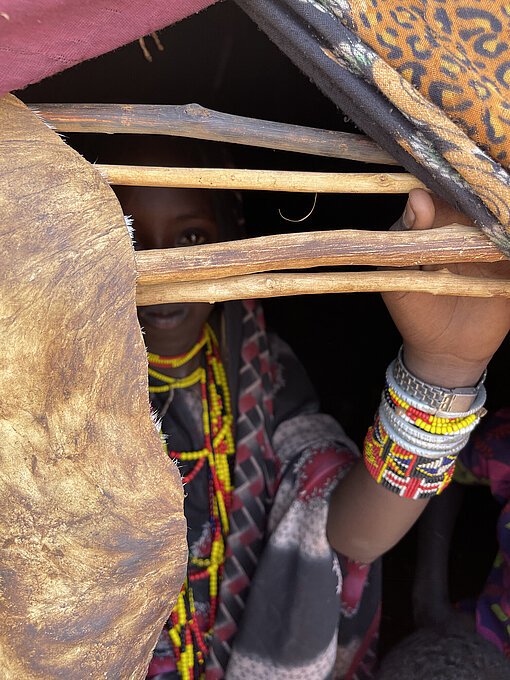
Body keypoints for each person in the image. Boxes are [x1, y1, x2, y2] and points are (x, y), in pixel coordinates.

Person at [111, 136, 510, 680]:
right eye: (129, 239)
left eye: (193, 236)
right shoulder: (43, 395)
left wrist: (441, 372)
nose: (161, 267)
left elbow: (353, 535)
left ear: (233, 235)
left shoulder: (263, 380)